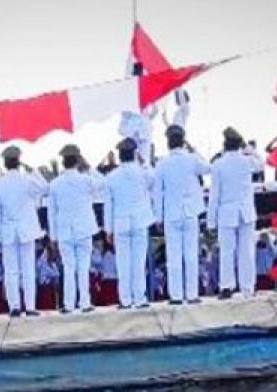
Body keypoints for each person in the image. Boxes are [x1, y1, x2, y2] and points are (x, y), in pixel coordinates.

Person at [153, 124, 210, 304]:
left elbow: (158, 193)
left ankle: (176, 296)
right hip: (190, 212)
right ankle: (192, 295)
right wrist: (194, 150)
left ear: (168, 142)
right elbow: (208, 168)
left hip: (171, 214)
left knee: (174, 256)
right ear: (183, 141)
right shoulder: (192, 159)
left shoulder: (162, 163)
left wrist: (159, 217)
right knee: (191, 255)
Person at [0, 145, 47, 316]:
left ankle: (14, 306)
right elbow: (45, 188)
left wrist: (0, 234)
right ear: (19, 162)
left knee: (11, 270)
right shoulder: (27, 180)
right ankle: (30, 307)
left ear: (5, 163)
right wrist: (34, 171)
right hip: (26, 229)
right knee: (28, 269)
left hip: (8, 231)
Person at [208, 127, 264, 299]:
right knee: (246, 251)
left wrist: (211, 221)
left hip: (226, 213)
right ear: (239, 145)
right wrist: (248, 148)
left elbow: (214, 195)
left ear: (224, 145)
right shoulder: (247, 161)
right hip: (245, 213)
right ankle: (248, 288)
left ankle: (227, 287)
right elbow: (261, 162)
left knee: (227, 251)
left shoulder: (218, 164)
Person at [46, 144, 102, 313]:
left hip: (64, 231)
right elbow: (102, 183)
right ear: (78, 161)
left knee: (68, 267)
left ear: (63, 162)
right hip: (83, 229)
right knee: (83, 267)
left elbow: (52, 213)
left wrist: (53, 237)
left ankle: (68, 304)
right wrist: (89, 167)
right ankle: (84, 302)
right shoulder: (86, 179)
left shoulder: (55, 184)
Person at [103, 137, 155, 309]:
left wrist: (108, 230)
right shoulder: (143, 172)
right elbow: (153, 178)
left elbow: (108, 205)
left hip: (121, 223)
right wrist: (144, 162)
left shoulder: (111, 177)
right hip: (140, 222)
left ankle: (125, 299)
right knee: (139, 262)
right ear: (134, 154)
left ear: (119, 156)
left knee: (123, 263)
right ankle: (140, 298)